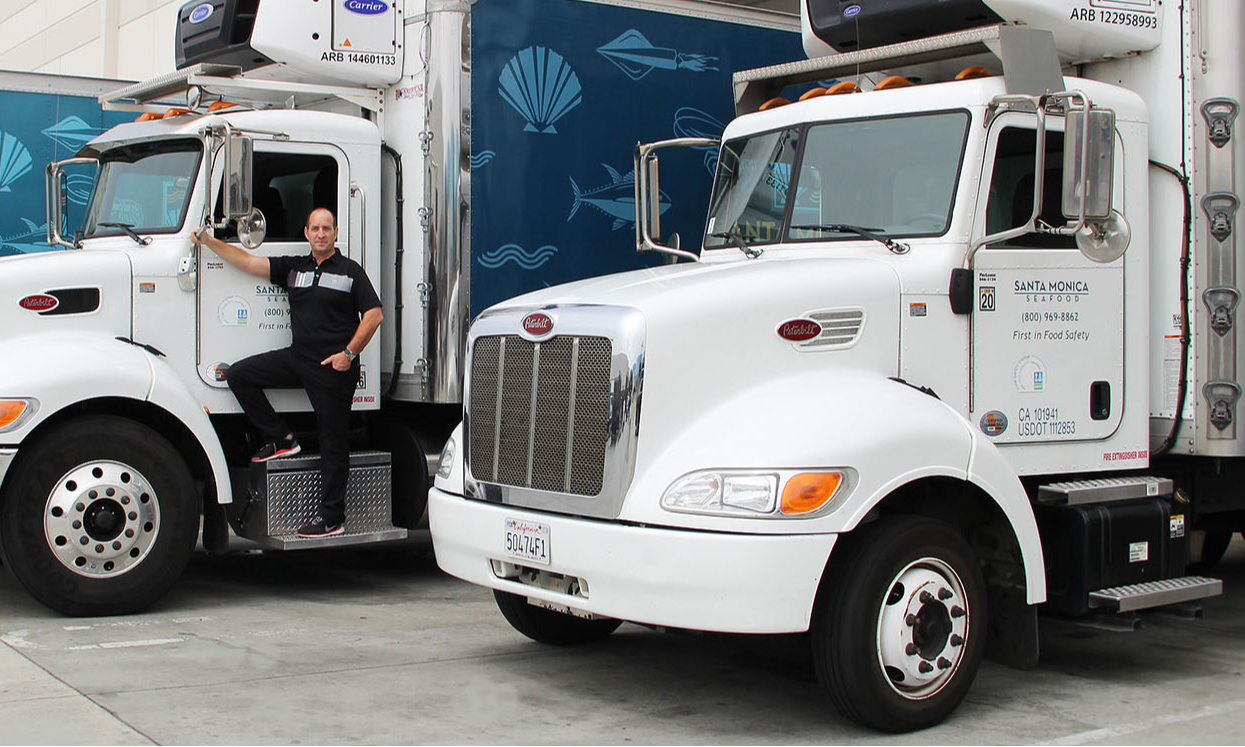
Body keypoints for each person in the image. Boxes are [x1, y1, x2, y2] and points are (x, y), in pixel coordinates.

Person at [192, 207, 383, 538]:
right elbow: (249, 262)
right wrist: (208, 242)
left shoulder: (351, 271)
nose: (321, 234)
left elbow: (374, 315)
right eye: (315, 228)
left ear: (336, 233)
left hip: (332, 369)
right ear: (306, 233)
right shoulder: (294, 268)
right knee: (239, 375)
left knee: (332, 443)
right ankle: (282, 439)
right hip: (299, 359)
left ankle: (332, 519)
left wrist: (348, 355)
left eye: (327, 228)